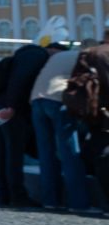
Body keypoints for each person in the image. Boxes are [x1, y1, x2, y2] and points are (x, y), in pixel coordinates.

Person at [28, 36, 89, 211]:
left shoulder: (57, 57)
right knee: (69, 153)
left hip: (36, 101)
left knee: (46, 154)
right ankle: (78, 203)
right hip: (57, 101)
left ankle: (50, 200)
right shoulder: (83, 57)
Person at [0, 39, 50, 207]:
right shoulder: (37, 56)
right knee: (14, 152)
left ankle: (3, 193)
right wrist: (13, 106)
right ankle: (17, 194)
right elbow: (19, 81)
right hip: (10, 109)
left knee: (1, 151)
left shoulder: (16, 58)